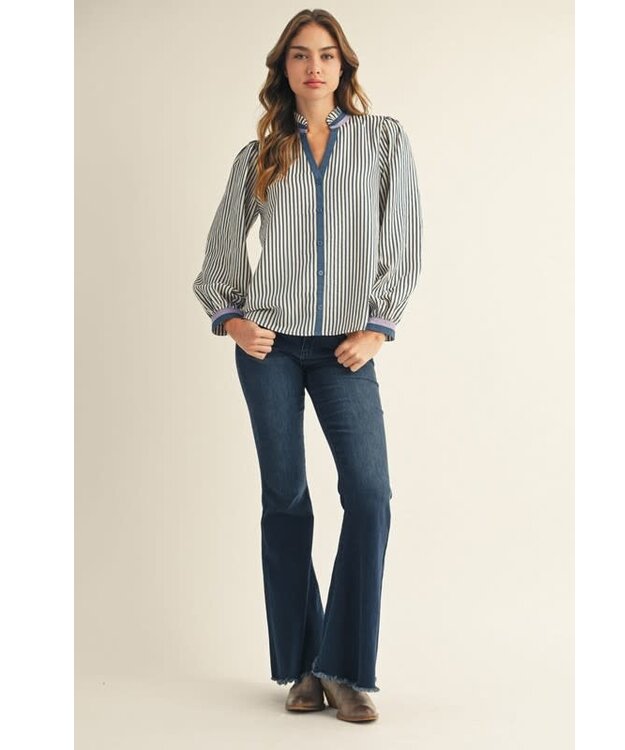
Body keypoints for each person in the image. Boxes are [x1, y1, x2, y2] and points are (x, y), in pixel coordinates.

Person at [192, 9, 422, 723]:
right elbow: (221, 251)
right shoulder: (260, 153)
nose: (313, 66)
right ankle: (300, 666)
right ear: (284, 68)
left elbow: (405, 239)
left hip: (345, 349)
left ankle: (345, 668)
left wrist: (377, 326)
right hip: (272, 350)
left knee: (370, 495)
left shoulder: (384, 141)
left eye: (325, 54)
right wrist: (232, 318)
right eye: (299, 55)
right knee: (287, 499)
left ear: (343, 65)